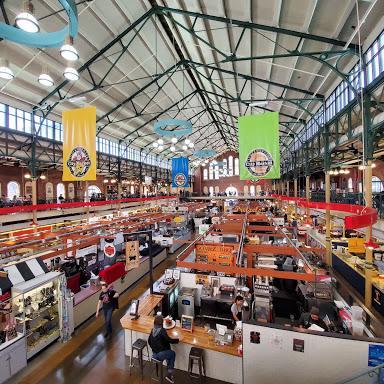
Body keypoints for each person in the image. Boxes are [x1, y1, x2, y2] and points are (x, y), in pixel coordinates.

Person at [148, 315, 179, 383]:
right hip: (160, 354)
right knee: (172, 353)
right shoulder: (162, 331)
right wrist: (178, 340)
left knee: (168, 351)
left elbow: (149, 341)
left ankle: (165, 364)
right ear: (161, 323)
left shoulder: (152, 330)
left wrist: (154, 349)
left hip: (154, 354)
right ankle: (169, 375)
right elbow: (169, 340)